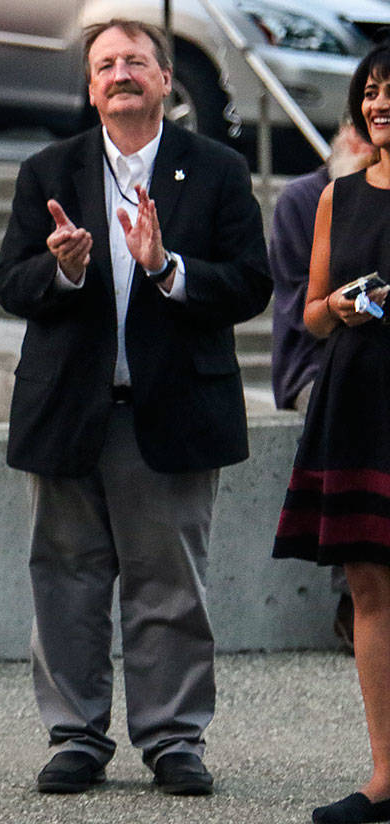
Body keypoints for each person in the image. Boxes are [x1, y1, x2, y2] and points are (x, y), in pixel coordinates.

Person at [0, 18, 272, 797]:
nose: (120, 73)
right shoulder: (48, 169)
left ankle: (174, 739)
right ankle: (76, 736)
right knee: (65, 581)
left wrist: (168, 266)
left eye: (135, 61)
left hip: (171, 412)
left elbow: (251, 282)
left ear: (166, 79)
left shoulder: (213, 169)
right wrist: (64, 271)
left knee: (170, 586)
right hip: (68, 411)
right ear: (89, 87)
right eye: (105, 63)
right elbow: (6, 282)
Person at [274, 42, 390, 824]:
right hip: (357, 404)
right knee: (370, 588)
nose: (381, 104)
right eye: (373, 91)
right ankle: (387, 776)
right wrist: (341, 306)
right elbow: (309, 313)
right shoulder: (335, 196)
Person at [267, 121, 376, 655]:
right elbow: (301, 309)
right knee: (355, 402)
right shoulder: (309, 198)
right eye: (357, 123)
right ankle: (356, 590)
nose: (365, 136)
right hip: (316, 366)